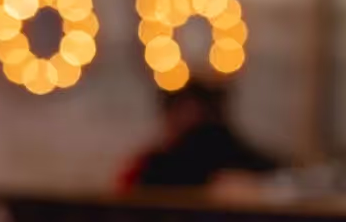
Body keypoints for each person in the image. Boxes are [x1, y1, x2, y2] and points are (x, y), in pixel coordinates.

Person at [118, 77, 279, 191]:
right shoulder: (152, 165)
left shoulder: (232, 156)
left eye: (195, 114)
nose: (188, 121)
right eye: (181, 113)